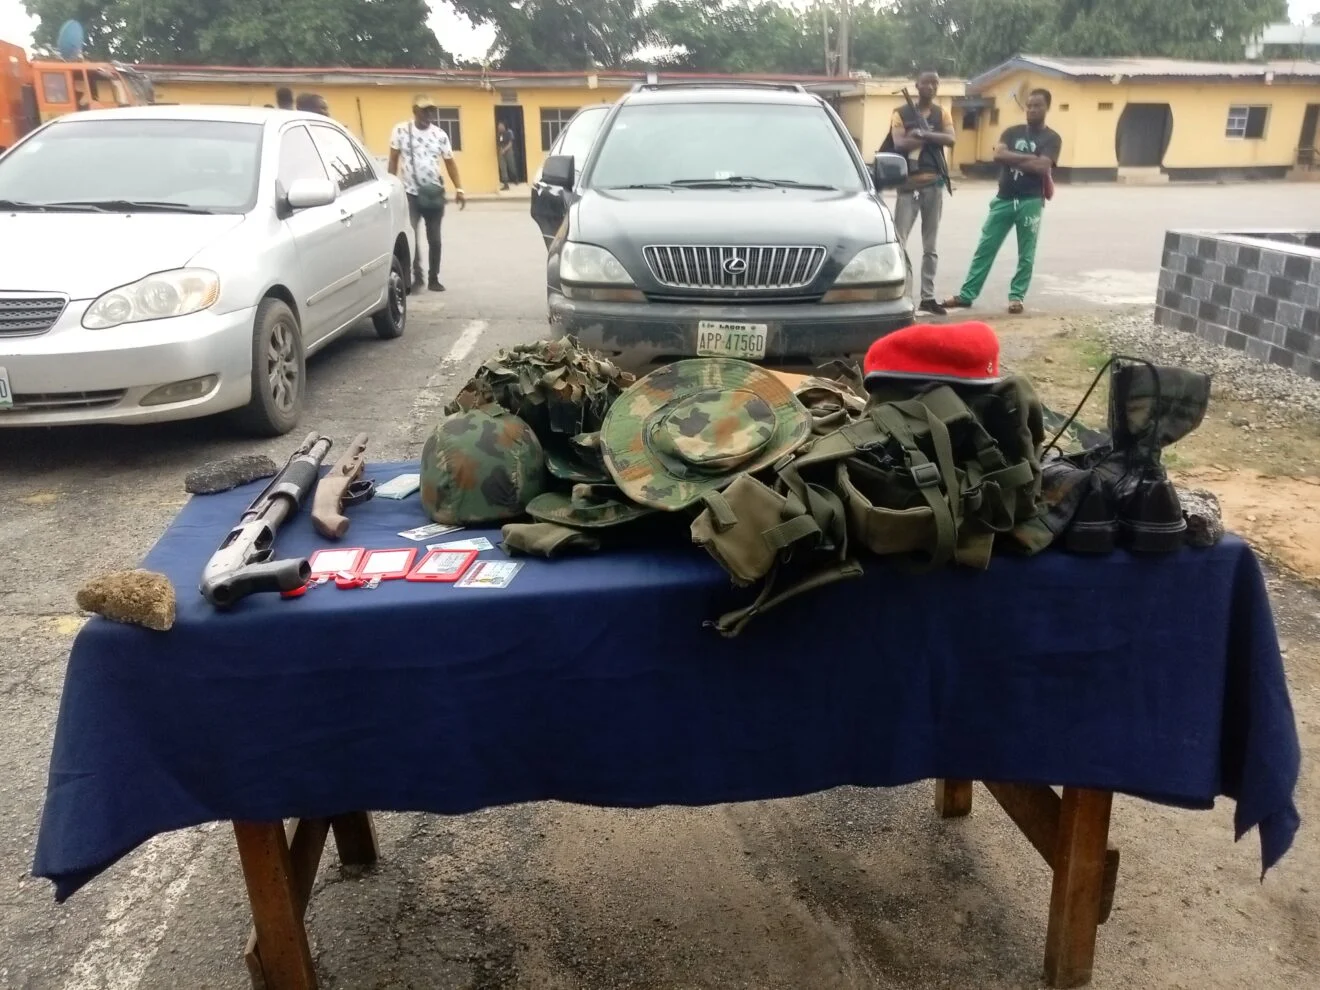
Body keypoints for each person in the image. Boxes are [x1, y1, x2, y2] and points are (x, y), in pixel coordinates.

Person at [945, 88, 1061, 315]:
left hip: (1031, 201)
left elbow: (1042, 166)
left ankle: (1016, 297)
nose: (1032, 109)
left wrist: (1014, 159)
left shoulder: (1052, 138)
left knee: (1026, 253)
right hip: (1004, 199)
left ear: (1047, 107)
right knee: (985, 248)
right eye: (1029, 105)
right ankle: (967, 294)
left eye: (1037, 105)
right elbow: (998, 156)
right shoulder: (1011, 132)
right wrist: (1030, 158)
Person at [889, 70, 955, 316]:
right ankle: (902, 296)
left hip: (933, 185)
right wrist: (927, 138)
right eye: (926, 82)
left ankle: (927, 297)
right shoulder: (901, 113)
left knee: (931, 246)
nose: (931, 86)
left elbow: (951, 139)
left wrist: (923, 134)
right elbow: (899, 144)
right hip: (908, 185)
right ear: (916, 85)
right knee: (900, 244)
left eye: (935, 82)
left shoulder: (942, 113)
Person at [388, 94, 466, 293]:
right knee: (411, 237)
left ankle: (434, 278)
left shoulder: (439, 134)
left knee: (435, 239)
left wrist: (459, 188)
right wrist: (390, 188)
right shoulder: (401, 131)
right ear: (415, 111)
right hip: (410, 193)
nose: (428, 114)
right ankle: (416, 278)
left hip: (434, 194)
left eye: (431, 110)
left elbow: (450, 162)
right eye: (424, 110)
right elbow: (393, 161)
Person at [497, 121, 517, 190]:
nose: (499, 127)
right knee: (503, 168)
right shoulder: (499, 134)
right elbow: (499, 143)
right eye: (498, 126)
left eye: (500, 126)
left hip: (508, 151)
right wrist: (501, 150)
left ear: (503, 126)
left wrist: (504, 150)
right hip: (502, 152)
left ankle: (515, 178)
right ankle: (506, 185)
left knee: (511, 167)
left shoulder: (509, 132)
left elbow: (510, 143)